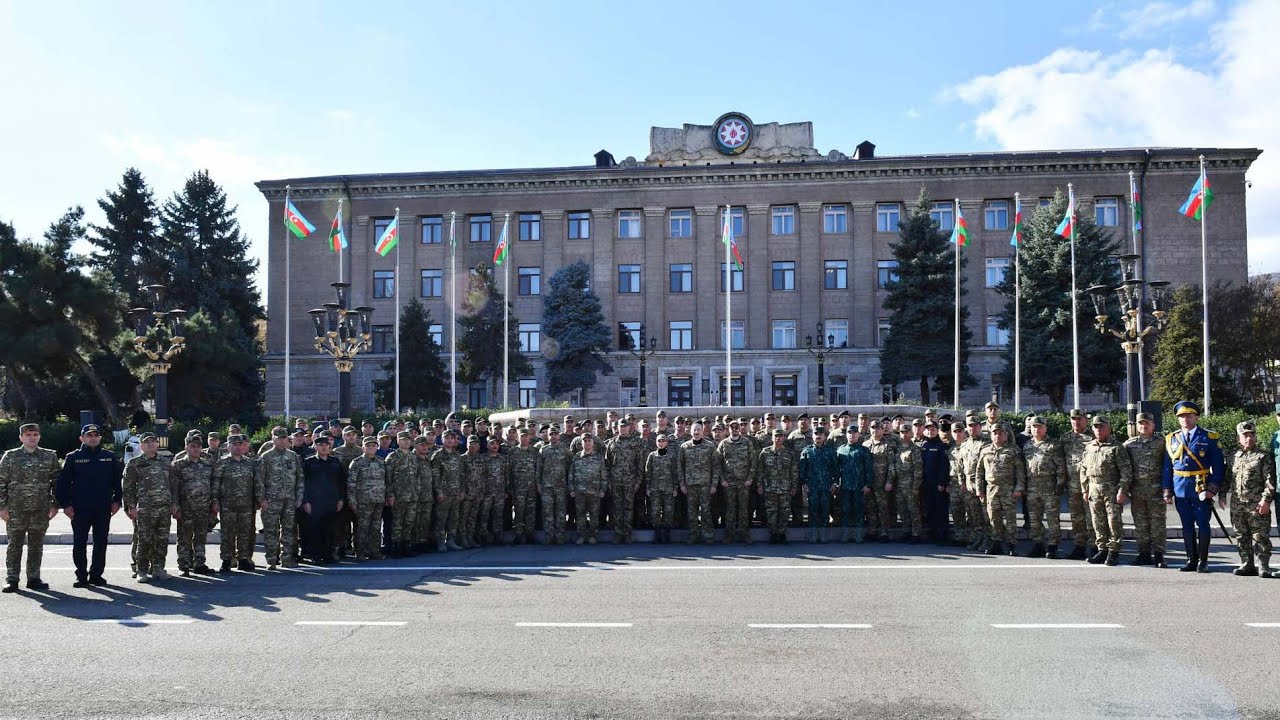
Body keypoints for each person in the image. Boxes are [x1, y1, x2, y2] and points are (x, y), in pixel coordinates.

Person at [1162, 401, 1224, 573]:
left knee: (1203, 524)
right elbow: (1167, 467)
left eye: (1189, 416)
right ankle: (1191, 559)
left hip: (1201, 488)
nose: (1186, 419)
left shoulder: (1208, 437)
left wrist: (1212, 489)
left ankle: (1203, 561)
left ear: (1196, 417)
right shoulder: (1171, 439)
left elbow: (1219, 467)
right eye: (1182, 416)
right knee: (1186, 525)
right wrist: (1167, 490)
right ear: (1178, 419)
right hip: (1180, 489)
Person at [57, 424, 122, 588]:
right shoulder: (73, 457)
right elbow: (63, 484)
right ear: (82, 438)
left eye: (96, 435)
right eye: (89, 435)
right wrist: (66, 505)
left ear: (100, 438)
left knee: (101, 542)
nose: (93, 438)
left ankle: (96, 575)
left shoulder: (109, 457)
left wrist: (117, 501)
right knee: (79, 542)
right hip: (79, 508)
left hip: (103, 507)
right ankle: (81, 575)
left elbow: (118, 482)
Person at [1, 423, 61, 592]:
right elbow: (1, 481)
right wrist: (1, 507)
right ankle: (12, 579)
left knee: (36, 545)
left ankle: (34, 578)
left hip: (40, 509)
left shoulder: (49, 456)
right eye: (28, 435)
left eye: (35, 434)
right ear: (21, 438)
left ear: (39, 436)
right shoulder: (10, 456)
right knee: (14, 545)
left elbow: (57, 482)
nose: (32, 438)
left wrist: (55, 505)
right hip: (15, 510)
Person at [122, 433, 175, 583]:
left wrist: (174, 503)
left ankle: (158, 568)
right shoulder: (134, 463)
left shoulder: (165, 462)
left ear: (157, 444)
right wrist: (130, 507)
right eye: (146, 442)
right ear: (141, 446)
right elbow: (128, 487)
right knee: (144, 540)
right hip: (144, 508)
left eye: (153, 441)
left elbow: (173, 484)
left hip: (164, 507)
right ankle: (142, 570)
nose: (150, 444)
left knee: (162, 539)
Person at [1225, 421, 1275, 577]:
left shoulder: (1262, 456)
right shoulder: (1233, 456)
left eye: (1252, 434)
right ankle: (1247, 564)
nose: (1249, 438)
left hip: (1257, 504)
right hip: (1237, 504)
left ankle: (1263, 566)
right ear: (1238, 438)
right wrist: (1221, 495)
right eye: (1245, 435)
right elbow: (1227, 478)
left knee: (1260, 536)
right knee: (1241, 535)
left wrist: (1266, 500)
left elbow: (1270, 481)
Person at [1081, 416, 1133, 566]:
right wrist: (1085, 489)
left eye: (1102, 427)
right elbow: (1083, 469)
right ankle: (1102, 549)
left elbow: (1126, 471)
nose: (1098, 430)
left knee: (1113, 521)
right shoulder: (1089, 447)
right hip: (1094, 488)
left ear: (1109, 429)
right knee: (1097, 521)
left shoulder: (1116, 447)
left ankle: (1113, 551)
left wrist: (1122, 490)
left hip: (1111, 489)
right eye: (1096, 427)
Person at [1125, 413, 1168, 567]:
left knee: (1158, 524)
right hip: (1137, 491)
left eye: (1147, 423)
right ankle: (1143, 554)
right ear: (1137, 426)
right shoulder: (1129, 445)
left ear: (1153, 425)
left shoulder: (1162, 443)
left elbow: (1167, 466)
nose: (1144, 426)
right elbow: (1125, 468)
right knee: (1140, 524)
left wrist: (1167, 488)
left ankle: (1159, 555)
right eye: (1141, 423)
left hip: (1156, 491)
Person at [975, 423, 1025, 556]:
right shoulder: (985, 450)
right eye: (995, 433)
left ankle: (1011, 544)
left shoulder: (1013, 450)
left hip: (1008, 489)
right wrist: (979, 489)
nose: (997, 436)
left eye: (1000, 433)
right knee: (993, 517)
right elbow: (979, 472)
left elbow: (1020, 471)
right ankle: (996, 542)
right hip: (991, 489)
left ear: (1006, 436)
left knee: (1010, 518)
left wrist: (1019, 488)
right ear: (991, 436)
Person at [212, 434, 260, 572]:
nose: (238, 447)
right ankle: (227, 560)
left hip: (246, 504)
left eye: (240, 444)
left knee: (244, 533)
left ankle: (243, 559)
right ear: (228, 446)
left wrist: (258, 500)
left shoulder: (250, 463)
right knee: (227, 533)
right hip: (228, 505)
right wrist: (214, 501)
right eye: (234, 444)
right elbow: (215, 484)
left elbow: (256, 483)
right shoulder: (222, 463)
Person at [257, 427, 303, 570]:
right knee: (271, 530)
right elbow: (259, 480)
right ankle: (271, 559)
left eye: (284, 438)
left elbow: (299, 477)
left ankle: (287, 559)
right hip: (271, 500)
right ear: (273, 439)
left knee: (288, 530)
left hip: (289, 499)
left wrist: (299, 496)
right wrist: (262, 499)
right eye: (278, 438)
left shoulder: (293, 456)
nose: (282, 441)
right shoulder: (266, 456)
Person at [170, 433, 216, 576]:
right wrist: (175, 505)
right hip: (186, 508)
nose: (196, 449)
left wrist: (214, 504)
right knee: (184, 537)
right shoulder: (178, 465)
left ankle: (199, 564)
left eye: (198, 446)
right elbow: (173, 487)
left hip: (203, 507)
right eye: (192, 446)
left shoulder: (207, 465)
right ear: (186, 448)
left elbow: (213, 486)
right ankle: (184, 565)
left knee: (201, 537)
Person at [1021, 416, 1066, 559]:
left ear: (1045, 428)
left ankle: (1053, 546)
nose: (1037, 429)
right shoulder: (1028, 445)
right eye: (1034, 427)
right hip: (1032, 486)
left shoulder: (1053, 445)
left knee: (1052, 519)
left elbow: (1061, 467)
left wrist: (1059, 486)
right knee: (1034, 519)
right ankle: (1038, 544)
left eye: (1040, 426)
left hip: (1049, 486)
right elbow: (1024, 468)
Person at [300, 432, 346, 564]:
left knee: (330, 529)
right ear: (315, 447)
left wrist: (341, 499)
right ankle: (315, 555)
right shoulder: (309, 462)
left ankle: (328, 554)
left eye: (326, 445)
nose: (324, 447)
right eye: (320, 445)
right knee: (314, 530)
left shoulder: (335, 462)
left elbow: (341, 482)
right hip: (314, 502)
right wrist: (305, 501)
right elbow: (303, 483)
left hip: (331, 501)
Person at [347, 437, 389, 561]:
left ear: (377, 447)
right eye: (368, 446)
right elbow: (351, 483)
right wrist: (352, 501)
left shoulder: (381, 462)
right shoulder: (357, 462)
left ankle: (374, 551)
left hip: (379, 499)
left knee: (376, 527)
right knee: (362, 527)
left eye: (373, 445)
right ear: (363, 448)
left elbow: (386, 481)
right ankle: (359, 552)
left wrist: (387, 496)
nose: (371, 448)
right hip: (363, 500)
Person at [717, 420, 757, 544]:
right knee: (730, 509)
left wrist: (750, 478)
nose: (734, 429)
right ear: (728, 429)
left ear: (739, 428)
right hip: (728, 483)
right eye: (732, 427)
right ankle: (729, 535)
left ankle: (744, 534)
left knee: (743, 509)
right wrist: (722, 479)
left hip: (743, 482)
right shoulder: (723, 443)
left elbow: (753, 461)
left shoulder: (747, 442)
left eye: (736, 427)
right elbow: (718, 463)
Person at [679, 422, 719, 544]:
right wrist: (682, 484)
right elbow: (680, 466)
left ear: (702, 431)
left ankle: (708, 535)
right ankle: (694, 535)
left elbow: (716, 466)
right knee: (692, 511)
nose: (696, 432)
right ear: (691, 431)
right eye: (694, 430)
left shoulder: (710, 446)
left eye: (698, 430)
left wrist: (714, 484)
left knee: (706, 510)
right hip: (690, 485)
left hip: (705, 484)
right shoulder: (684, 446)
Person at [798, 427, 838, 543]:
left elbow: (835, 469)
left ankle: (824, 533)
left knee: (825, 510)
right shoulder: (807, 451)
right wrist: (804, 483)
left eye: (821, 434)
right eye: (816, 434)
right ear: (812, 436)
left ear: (825, 436)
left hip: (826, 486)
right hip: (812, 486)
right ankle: (813, 533)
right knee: (813, 510)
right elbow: (802, 469)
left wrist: (835, 483)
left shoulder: (830, 451)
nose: (818, 436)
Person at [758, 430, 797, 544]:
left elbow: (794, 471)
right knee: (771, 512)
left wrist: (794, 486)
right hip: (770, 488)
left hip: (785, 488)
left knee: (785, 512)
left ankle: (782, 534)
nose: (778, 438)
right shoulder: (765, 452)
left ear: (784, 438)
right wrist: (759, 485)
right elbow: (760, 471)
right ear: (772, 438)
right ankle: (773, 534)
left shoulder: (789, 453)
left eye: (780, 436)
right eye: (776, 436)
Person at [570, 434, 606, 544]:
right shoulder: (576, 457)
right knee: (580, 514)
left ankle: (592, 535)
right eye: (585, 441)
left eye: (589, 440)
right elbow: (571, 474)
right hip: (579, 491)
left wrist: (603, 490)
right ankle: (581, 535)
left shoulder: (599, 457)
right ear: (581, 443)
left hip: (594, 491)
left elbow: (603, 475)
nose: (587, 443)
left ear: (593, 443)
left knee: (594, 514)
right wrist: (571, 489)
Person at [919, 421, 951, 546]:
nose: (930, 432)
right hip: (926, 483)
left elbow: (944, 466)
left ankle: (942, 535)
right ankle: (932, 532)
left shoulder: (942, 446)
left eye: (933, 429)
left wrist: (942, 482)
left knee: (940, 509)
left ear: (937, 431)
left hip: (937, 483)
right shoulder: (923, 445)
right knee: (930, 508)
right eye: (928, 429)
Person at [507, 428, 541, 545]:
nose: (524, 438)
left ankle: (529, 534)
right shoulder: (513, 451)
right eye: (522, 436)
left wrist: (538, 484)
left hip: (532, 487)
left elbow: (538, 469)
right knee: (519, 511)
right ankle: (518, 534)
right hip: (518, 487)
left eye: (526, 436)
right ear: (518, 437)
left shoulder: (535, 452)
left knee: (530, 511)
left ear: (529, 438)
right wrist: (510, 486)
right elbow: (509, 470)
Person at [645, 434, 679, 543]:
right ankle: (657, 534)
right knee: (655, 511)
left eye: (663, 441)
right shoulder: (652, 456)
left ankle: (667, 534)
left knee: (668, 511)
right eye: (659, 441)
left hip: (668, 488)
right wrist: (647, 487)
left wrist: (675, 487)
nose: (661, 443)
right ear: (656, 443)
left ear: (667, 442)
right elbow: (648, 472)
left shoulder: (672, 456)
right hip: (655, 488)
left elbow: (675, 472)